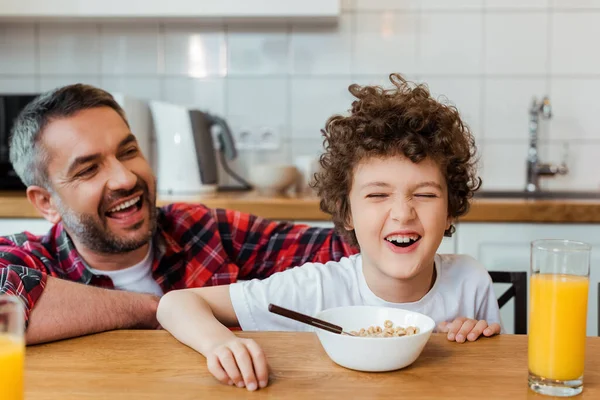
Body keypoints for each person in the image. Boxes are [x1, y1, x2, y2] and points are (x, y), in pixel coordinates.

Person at [156, 73, 503, 392]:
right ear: (347, 211)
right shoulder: (315, 290)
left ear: (450, 210)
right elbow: (176, 303)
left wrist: (475, 336)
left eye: (425, 194)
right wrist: (220, 342)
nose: (402, 213)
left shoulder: (470, 282)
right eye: (378, 195)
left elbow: (488, 374)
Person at [0, 84, 356, 345]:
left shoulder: (203, 230)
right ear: (46, 202)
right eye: (89, 169)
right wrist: (167, 308)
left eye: (128, 152)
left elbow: (343, 250)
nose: (125, 178)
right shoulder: (30, 259)